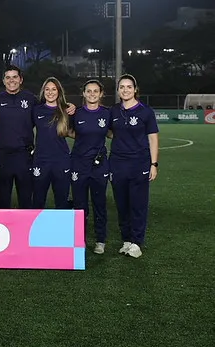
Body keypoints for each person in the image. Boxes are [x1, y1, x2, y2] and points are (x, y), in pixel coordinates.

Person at [109, 74, 159, 259]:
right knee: (122, 205)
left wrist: (154, 164)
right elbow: (106, 131)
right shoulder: (113, 111)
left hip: (140, 163)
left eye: (129, 86)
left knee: (138, 204)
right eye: (122, 87)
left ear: (135, 89)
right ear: (118, 90)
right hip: (117, 163)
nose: (125, 90)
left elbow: (153, 138)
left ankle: (137, 242)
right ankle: (127, 240)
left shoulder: (146, 111)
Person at [70, 79, 111, 254]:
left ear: (101, 94)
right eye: (89, 91)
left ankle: (100, 240)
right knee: (80, 205)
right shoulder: (76, 113)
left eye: (96, 91)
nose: (92, 94)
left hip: (99, 165)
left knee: (99, 203)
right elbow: (68, 131)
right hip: (79, 164)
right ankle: (80, 239)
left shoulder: (108, 113)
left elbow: (112, 133)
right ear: (84, 93)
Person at [0, 65, 37, 209]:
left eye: (15, 77)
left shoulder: (31, 99)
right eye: (8, 77)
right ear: (4, 81)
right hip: (2, 156)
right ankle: (4, 230)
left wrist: (68, 106)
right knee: (3, 200)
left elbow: (50, 109)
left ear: (21, 79)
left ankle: (25, 230)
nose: (12, 80)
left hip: (24, 155)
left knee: (25, 199)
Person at [32, 77, 72, 209]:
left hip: (61, 160)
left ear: (59, 91)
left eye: (54, 89)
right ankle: (37, 229)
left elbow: (76, 132)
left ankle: (62, 229)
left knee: (61, 201)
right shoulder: (36, 110)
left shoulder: (67, 111)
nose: (50, 92)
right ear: (43, 92)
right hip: (41, 160)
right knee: (38, 200)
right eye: (47, 89)